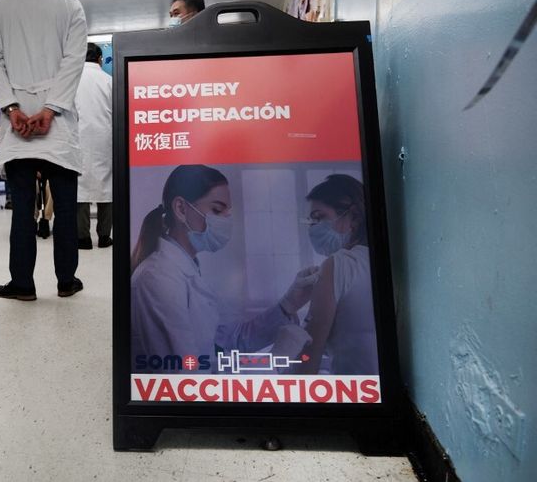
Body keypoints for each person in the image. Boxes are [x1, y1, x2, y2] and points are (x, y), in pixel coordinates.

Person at [131, 165, 317, 371]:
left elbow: (227, 341)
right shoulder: (158, 277)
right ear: (181, 209)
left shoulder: (185, 268)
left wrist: (289, 304)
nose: (225, 221)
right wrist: (277, 359)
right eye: (217, 210)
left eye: (227, 212)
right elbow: (185, 375)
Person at [0, 0, 88, 300]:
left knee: (23, 209)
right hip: (59, 124)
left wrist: (12, 108)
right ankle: (66, 281)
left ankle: (23, 284)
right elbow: (74, 61)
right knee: (65, 209)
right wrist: (51, 108)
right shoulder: (70, 4)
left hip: (17, 124)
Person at [294, 174, 378, 375]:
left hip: (353, 390)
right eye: (311, 221)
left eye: (319, 217)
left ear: (354, 217)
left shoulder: (339, 264)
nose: (313, 228)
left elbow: (306, 362)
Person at [74, 43, 113, 250]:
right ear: (99, 59)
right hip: (105, 141)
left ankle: (82, 238)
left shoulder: (72, 82)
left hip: (77, 140)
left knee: (79, 189)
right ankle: (104, 237)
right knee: (107, 188)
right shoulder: (109, 81)